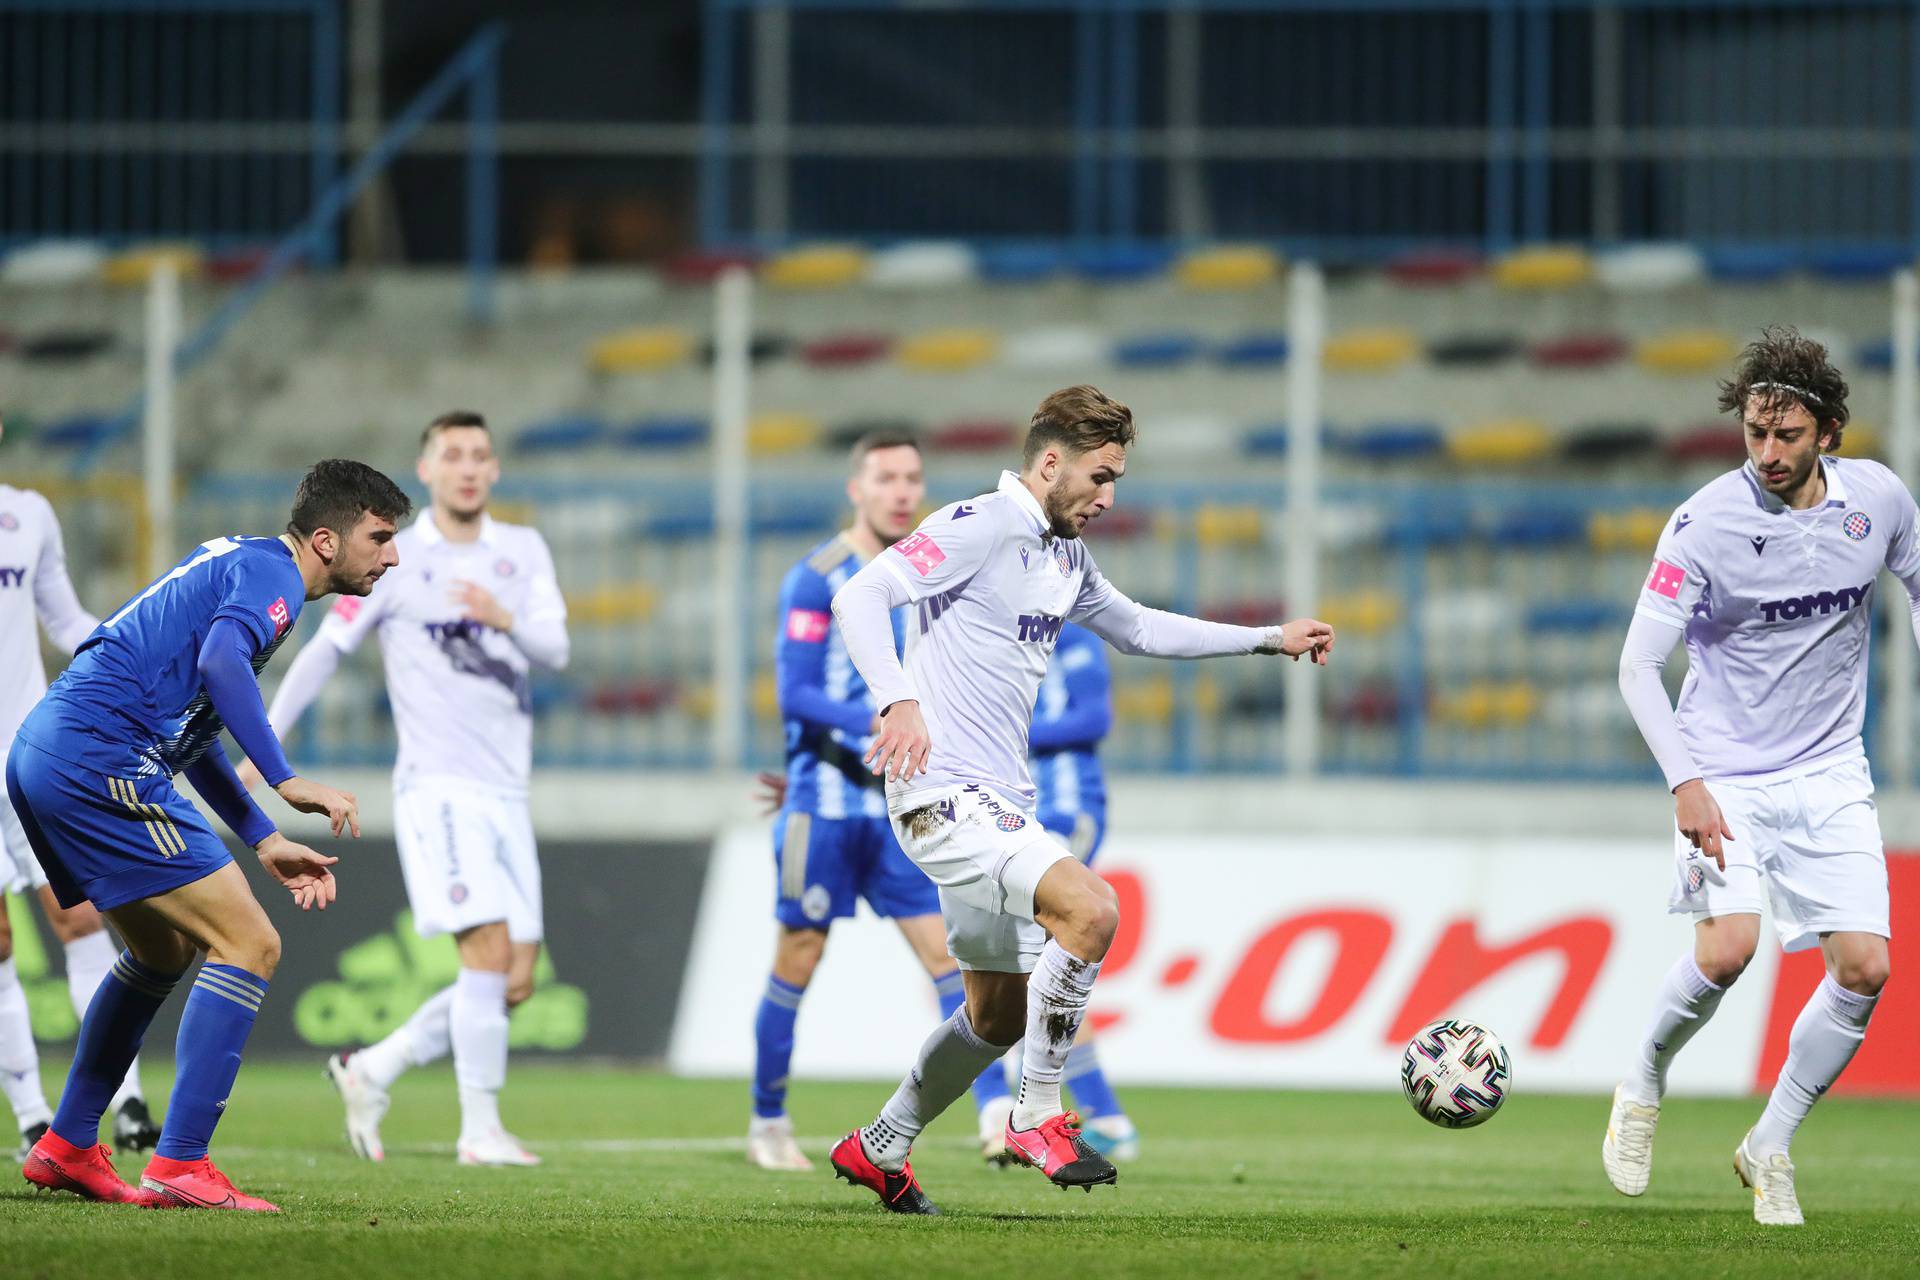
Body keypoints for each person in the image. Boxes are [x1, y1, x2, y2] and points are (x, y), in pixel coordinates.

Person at [824, 385, 1333, 1213]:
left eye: (1117, 481)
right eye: (1099, 477)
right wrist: (895, 697)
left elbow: (1138, 627)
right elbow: (859, 595)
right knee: (1092, 911)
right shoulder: (979, 524)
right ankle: (1038, 1112)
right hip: (942, 792)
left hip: (998, 803)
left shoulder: (1063, 556)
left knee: (993, 1016)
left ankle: (879, 1145)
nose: (1107, 497)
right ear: (1050, 462)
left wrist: (1269, 637)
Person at [7, 458, 405, 1211]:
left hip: (45, 753)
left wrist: (261, 836)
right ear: (326, 540)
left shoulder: (244, 565)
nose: (392, 556)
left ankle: (66, 1144)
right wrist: (287, 781)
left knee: (162, 948)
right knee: (251, 945)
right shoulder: (276, 583)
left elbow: (197, 727)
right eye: (379, 537)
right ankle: (181, 1163)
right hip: (100, 756)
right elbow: (224, 665)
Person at [1609, 326, 1904, 1226]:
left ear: (1830, 433)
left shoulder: (1882, 502)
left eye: (1787, 437)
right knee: (1727, 951)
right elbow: (1635, 667)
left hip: (1828, 769)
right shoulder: (1704, 525)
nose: (1767, 454)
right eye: (1753, 435)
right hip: (1723, 770)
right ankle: (1644, 1079)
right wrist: (1684, 783)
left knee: (1866, 968)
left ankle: (1769, 1142)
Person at [255, 411, 569, 1168]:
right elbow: (325, 654)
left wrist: (506, 619)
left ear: (495, 470)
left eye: (480, 455)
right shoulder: (395, 558)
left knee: (515, 979)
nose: (467, 467)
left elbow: (554, 647)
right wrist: (263, 749)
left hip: (506, 790)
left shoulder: (520, 551)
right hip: (440, 787)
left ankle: (372, 1069)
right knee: (487, 955)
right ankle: (480, 1131)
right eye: (452, 455)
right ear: (426, 470)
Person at [748, 430, 1011, 1172]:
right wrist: (880, 718)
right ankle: (768, 1122)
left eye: (912, 477)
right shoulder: (818, 576)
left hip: (905, 810)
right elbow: (796, 692)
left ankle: (995, 1113)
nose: (901, 490)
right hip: (825, 806)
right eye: (886, 477)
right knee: (798, 954)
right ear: (855, 490)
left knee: (952, 963)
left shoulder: (932, 573)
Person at [0, 415, 162, 1159]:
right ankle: (32, 1111)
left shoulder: (28, 514)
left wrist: (128, 649)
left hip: (34, 755)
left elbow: (64, 619)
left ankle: (121, 1102)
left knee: (84, 923)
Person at [1026, 619, 1134, 1161]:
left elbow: (1094, 718)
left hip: (1067, 807)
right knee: (1037, 965)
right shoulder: (990, 634)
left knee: (1043, 956)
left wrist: (1003, 732)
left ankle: (1078, 1112)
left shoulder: (1072, 639)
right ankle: (1101, 1114)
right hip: (1017, 814)